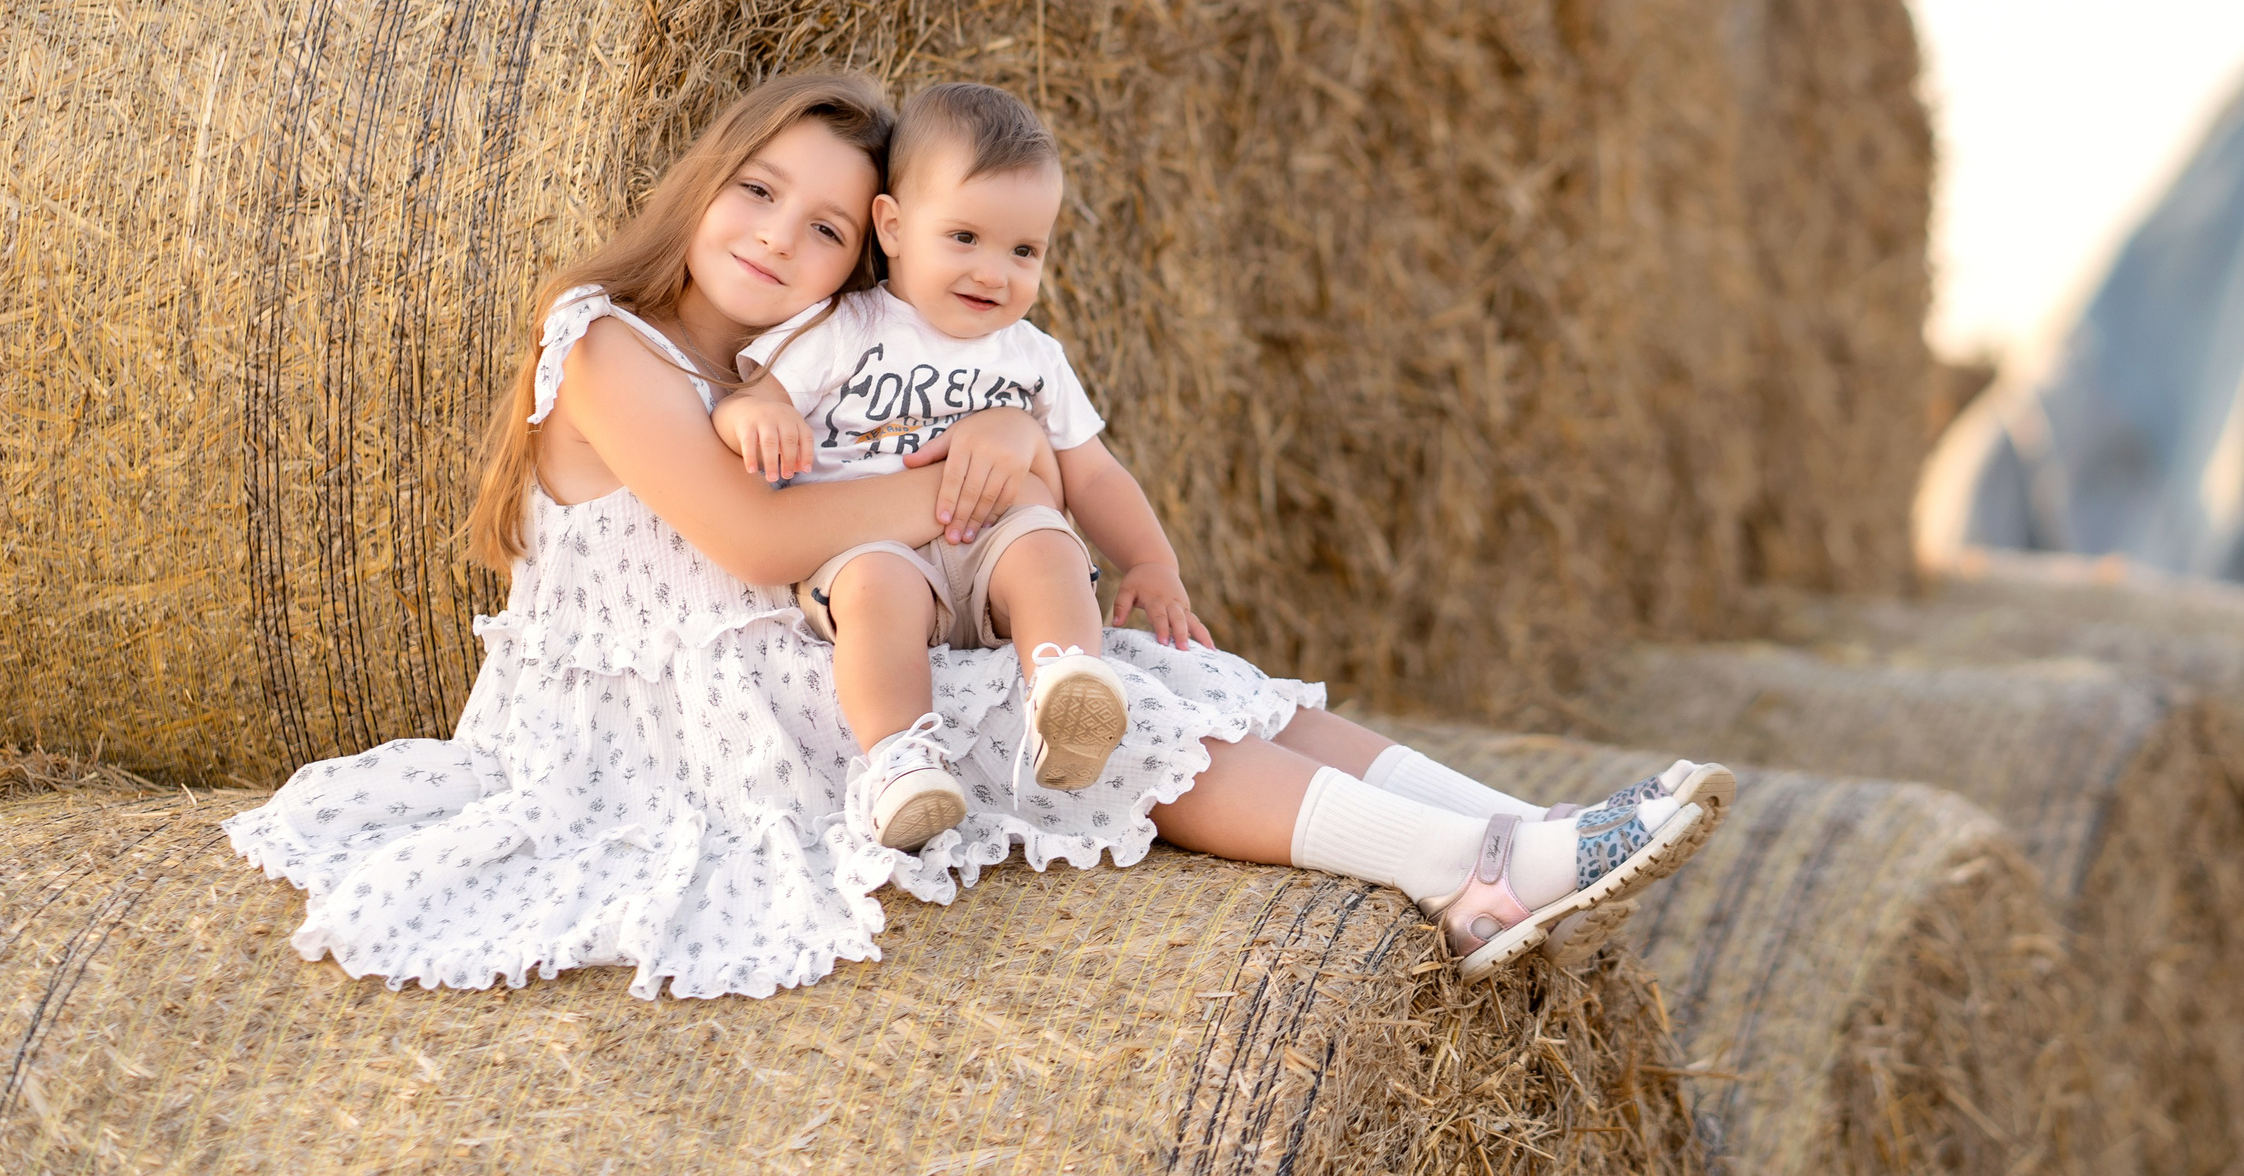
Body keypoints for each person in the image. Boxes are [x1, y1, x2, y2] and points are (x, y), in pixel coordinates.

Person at [225, 71, 1733, 999]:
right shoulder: (610, 342)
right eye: (758, 190)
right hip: (674, 726)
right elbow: (753, 537)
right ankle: (1476, 862)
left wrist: (1005, 468)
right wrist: (989, 470)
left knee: (1189, 682)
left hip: (797, 674)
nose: (780, 234)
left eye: (824, 222)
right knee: (1096, 720)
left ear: (862, 248)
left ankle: (1518, 843)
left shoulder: (788, 367)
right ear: (701, 183)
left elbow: (836, 509)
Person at [712, 82, 1214, 851]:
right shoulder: (847, 327)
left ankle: (1065, 684)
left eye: (1024, 251)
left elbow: (1094, 472)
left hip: (989, 555)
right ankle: (901, 760)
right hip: (872, 547)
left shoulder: (1032, 356)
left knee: (1045, 542)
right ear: (894, 226)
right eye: (965, 237)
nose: (994, 271)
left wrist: (1150, 559)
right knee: (874, 594)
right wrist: (762, 414)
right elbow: (746, 399)